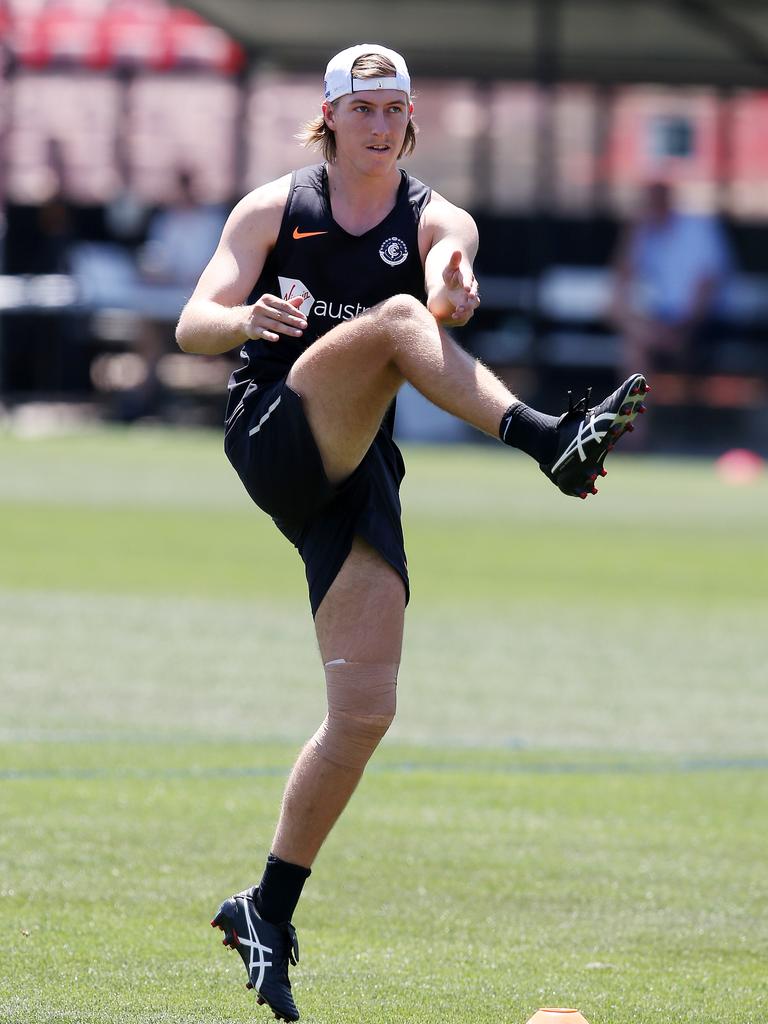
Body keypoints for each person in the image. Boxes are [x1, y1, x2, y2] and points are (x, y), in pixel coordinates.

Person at [176, 44, 648, 1022]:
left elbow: (445, 263)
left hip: (355, 473)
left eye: (398, 109)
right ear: (331, 118)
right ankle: (551, 443)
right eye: (367, 109)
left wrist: (455, 285)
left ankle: (265, 905)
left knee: (364, 712)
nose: (385, 126)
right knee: (393, 323)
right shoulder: (275, 209)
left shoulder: (432, 213)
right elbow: (191, 323)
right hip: (272, 432)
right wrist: (245, 316)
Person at [610, 180, 733, 377]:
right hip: (660, 322)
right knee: (633, 342)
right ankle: (637, 406)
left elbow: (707, 287)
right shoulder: (644, 234)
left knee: (639, 343)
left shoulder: (697, 229)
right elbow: (619, 287)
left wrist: (684, 325)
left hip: (699, 322)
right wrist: (631, 234)